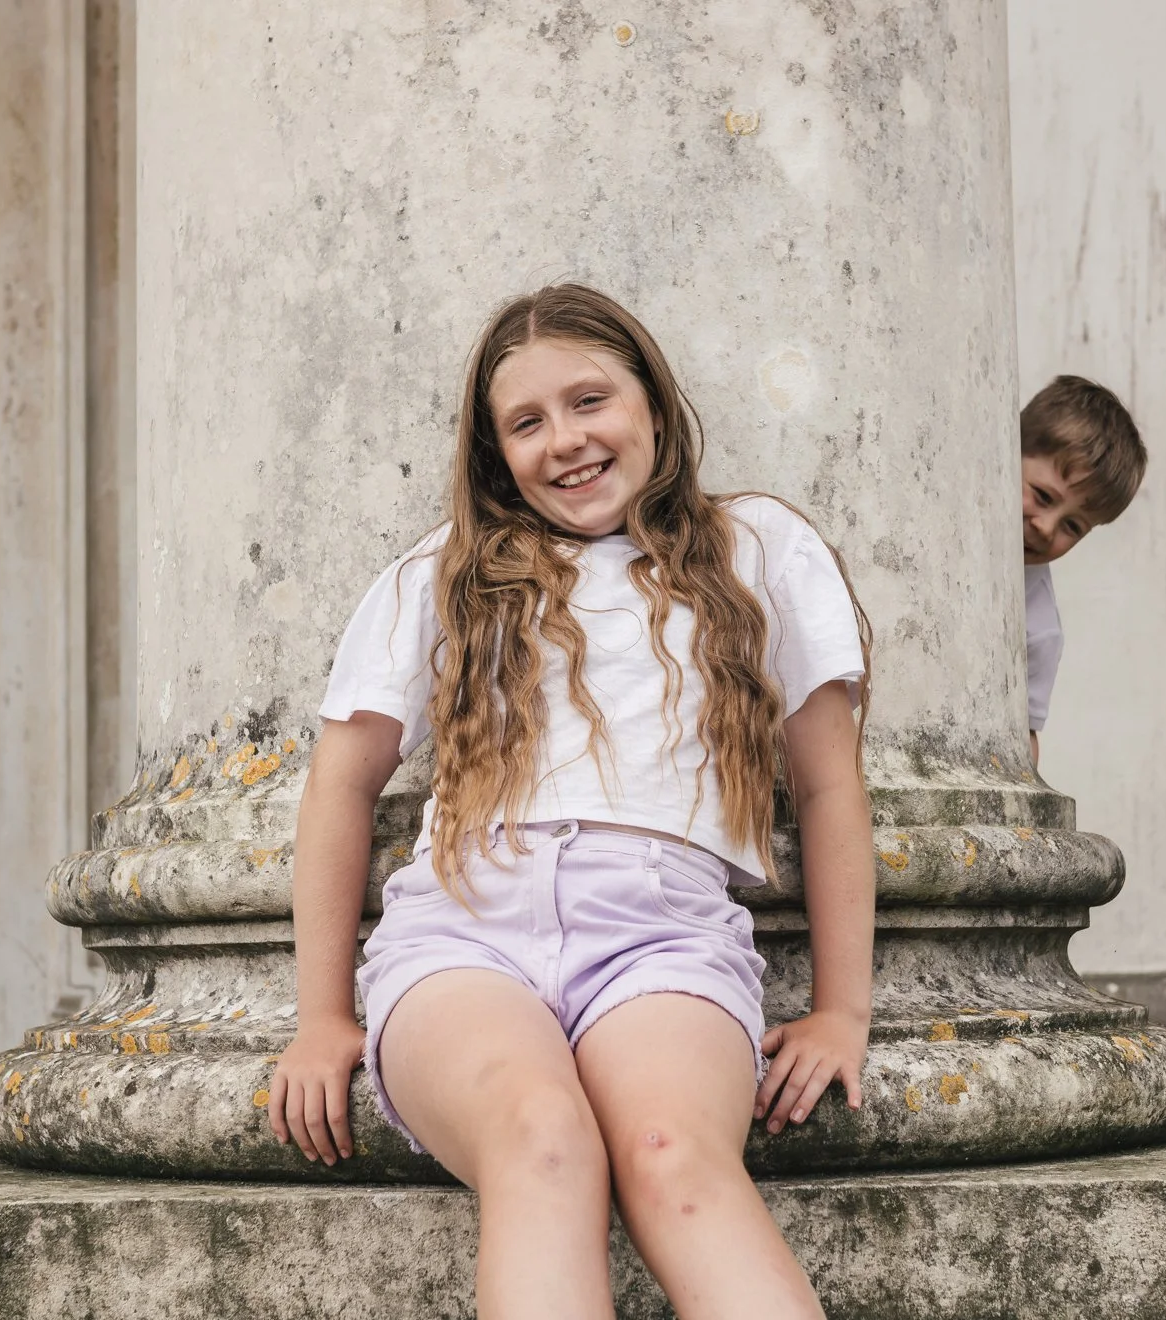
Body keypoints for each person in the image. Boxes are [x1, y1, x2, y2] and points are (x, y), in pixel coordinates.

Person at [266, 283, 876, 1319]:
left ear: (652, 403)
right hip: (463, 940)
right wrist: (321, 1017)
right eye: (526, 422)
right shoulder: (446, 573)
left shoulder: (756, 547)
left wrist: (842, 1011)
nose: (565, 440)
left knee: (671, 1152)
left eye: (590, 400)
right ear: (495, 453)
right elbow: (341, 782)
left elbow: (826, 786)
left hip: (660, 937)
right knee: (540, 1138)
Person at [1019, 375, 1147, 766]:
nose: (1046, 528)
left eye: (1072, 526)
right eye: (1043, 496)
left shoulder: (1038, 627)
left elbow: (1024, 735)